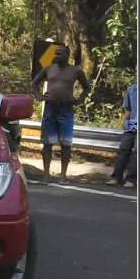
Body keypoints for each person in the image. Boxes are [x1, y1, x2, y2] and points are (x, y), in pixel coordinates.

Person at [31, 44, 91, 182]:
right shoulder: (49, 69)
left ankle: (63, 175)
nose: (57, 56)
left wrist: (79, 100)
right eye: (55, 54)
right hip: (50, 107)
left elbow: (86, 88)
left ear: (67, 55)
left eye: (60, 54)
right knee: (47, 142)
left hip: (66, 109)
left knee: (66, 143)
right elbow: (34, 83)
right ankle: (46, 174)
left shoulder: (75, 71)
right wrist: (39, 96)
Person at [111, 82, 137, 188]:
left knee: (136, 153)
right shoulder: (132, 89)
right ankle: (116, 177)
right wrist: (125, 122)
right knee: (123, 150)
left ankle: (131, 179)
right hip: (131, 125)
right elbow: (128, 109)